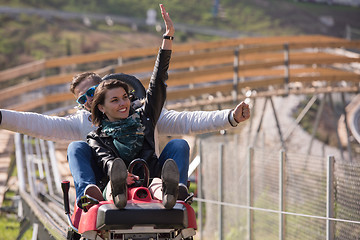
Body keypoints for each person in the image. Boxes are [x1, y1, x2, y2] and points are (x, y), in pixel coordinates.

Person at [0, 4, 251, 208]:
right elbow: (37, 124)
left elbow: (186, 118)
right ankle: (91, 193)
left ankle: (174, 191)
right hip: (109, 178)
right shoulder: (85, 125)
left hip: (146, 173)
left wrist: (230, 117)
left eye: (91, 92)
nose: (87, 100)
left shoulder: (144, 115)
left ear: (104, 90)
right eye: (81, 99)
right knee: (77, 147)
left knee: (178, 144)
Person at [87, 75, 180, 209]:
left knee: (157, 184)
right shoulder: (96, 138)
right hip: (115, 182)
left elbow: (157, 89)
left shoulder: (144, 122)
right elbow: (105, 159)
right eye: (115, 100)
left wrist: (164, 54)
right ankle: (119, 195)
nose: (123, 103)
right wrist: (118, 172)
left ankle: (169, 196)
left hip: (147, 181)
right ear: (101, 107)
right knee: (113, 184)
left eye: (125, 97)